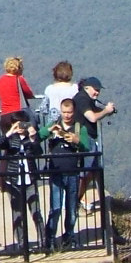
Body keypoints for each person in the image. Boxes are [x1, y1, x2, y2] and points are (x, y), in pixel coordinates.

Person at [42, 97, 88, 251]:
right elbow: (40, 135)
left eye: (69, 112)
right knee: (55, 208)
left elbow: (86, 148)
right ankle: (50, 239)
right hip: (56, 173)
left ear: (73, 112)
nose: (67, 115)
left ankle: (69, 237)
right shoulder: (54, 125)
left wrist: (76, 140)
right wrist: (49, 130)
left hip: (73, 173)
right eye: (64, 112)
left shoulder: (79, 128)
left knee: (71, 208)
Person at [0, 113, 43, 254]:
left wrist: (33, 137)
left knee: (36, 212)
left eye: (23, 123)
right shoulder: (10, 139)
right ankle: (22, 243)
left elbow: (38, 152)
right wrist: (10, 132)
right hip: (14, 181)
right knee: (18, 214)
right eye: (17, 124)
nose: (20, 127)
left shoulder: (30, 138)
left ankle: (43, 241)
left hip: (30, 179)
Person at [74, 76, 115, 209]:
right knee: (86, 172)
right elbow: (92, 117)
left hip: (89, 138)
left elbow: (95, 112)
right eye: (95, 90)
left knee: (93, 171)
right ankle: (76, 200)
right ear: (87, 88)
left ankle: (95, 200)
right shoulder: (82, 98)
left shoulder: (87, 99)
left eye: (98, 91)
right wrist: (106, 111)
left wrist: (107, 112)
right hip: (85, 139)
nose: (97, 93)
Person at [0, 56, 37, 128]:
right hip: (19, 115)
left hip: (5, 116)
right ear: (19, 68)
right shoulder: (19, 79)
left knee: (8, 137)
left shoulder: (1, 80)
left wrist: (0, 93)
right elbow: (29, 94)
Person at [41, 61, 78, 127]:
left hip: (53, 125)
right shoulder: (75, 88)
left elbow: (44, 109)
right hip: (72, 124)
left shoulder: (49, 89)